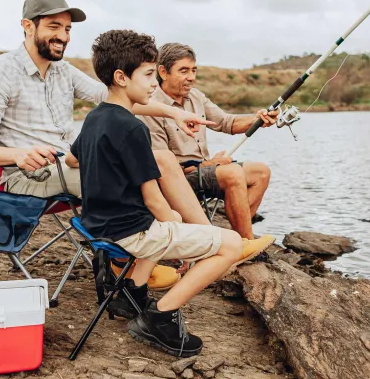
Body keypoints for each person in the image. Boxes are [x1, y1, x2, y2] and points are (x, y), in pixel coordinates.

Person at [0, 0, 214, 289]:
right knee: (135, 178)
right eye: (54, 27)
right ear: (28, 26)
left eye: (67, 29)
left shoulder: (62, 71)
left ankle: (205, 239)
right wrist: (17, 154)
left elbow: (120, 95)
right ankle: (130, 267)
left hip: (68, 165)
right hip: (25, 175)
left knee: (162, 159)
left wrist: (173, 113)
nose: (63, 36)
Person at [66, 30, 275, 356]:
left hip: (95, 225)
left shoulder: (94, 118)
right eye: (149, 74)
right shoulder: (133, 127)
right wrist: (181, 231)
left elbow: (72, 158)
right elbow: (152, 199)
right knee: (230, 244)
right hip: (128, 232)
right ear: (121, 77)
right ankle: (159, 317)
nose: (153, 84)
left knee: (169, 220)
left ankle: (132, 290)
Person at [139, 43, 277, 240]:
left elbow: (226, 123)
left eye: (194, 70)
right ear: (163, 72)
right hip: (179, 179)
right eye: (184, 71)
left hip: (205, 171)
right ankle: (246, 243)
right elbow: (163, 166)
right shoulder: (150, 106)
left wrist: (259, 119)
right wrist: (210, 164)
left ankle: (237, 234)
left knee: (261, 172)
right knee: (232, 173)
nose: (191, 77)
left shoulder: (195, 96)